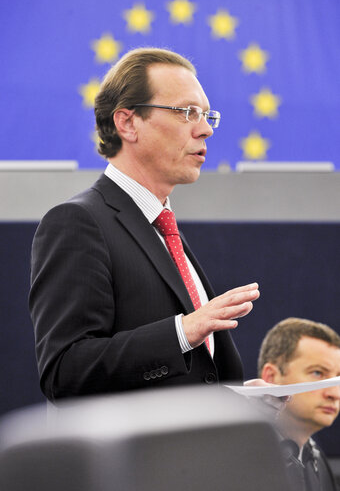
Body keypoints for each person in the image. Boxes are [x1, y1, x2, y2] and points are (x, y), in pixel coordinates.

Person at [29, 47, 261, 402]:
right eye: (187, 113)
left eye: (207, 115)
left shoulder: (163, 228)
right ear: (128, 123)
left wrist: (241, 401)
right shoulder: (77, 223)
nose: (205, 130)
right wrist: (182, 331)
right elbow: (65, 371)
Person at [258, 317, 340, 491]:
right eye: (318, 373)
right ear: (271, 378)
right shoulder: (236, 457)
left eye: (338, 379)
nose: (334, 393)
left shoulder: (316, 458)